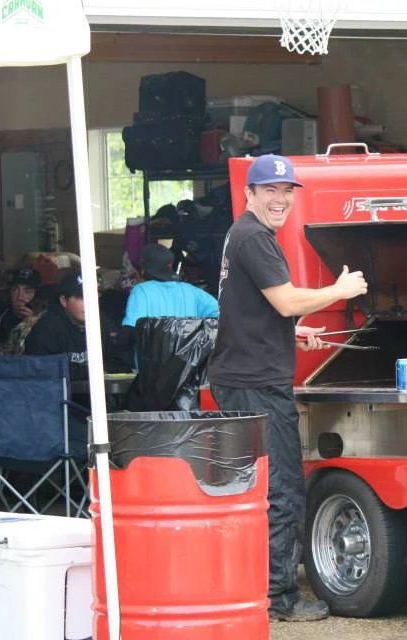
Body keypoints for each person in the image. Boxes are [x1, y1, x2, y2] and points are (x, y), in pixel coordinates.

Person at [207, 154, 368, 622]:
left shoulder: (243, 235)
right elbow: (284, 300)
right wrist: (340, 290)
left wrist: (291, 332)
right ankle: (280, 598)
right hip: (255, 384)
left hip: (240, 376)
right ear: (250, 194)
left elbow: (248, 309)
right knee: (283, 491)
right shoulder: (255, 237)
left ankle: (252, 586)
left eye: (287, 191)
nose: (280, 199)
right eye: (270, 191)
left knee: (254, 489)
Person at [121, 242, 218, 338]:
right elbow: (222, 316)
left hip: (151, 354)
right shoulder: (191, 291)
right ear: (170, 267)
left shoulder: (141, 291)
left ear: (143, 269)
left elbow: (129, 331)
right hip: (189, 353)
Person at [24, 271, 89, 379]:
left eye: (95, 296)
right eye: (81, 297)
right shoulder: (47, 328)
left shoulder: (103, 323)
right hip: (61, 395)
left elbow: (118, 362)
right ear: (63, 300)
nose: (89, 302)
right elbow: (40, 372)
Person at [0, 266, 42, 343]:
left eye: (27, 291)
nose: (20, 297)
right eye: (15, 289)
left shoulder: (44, 320)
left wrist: (31, 323)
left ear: (36, 294)